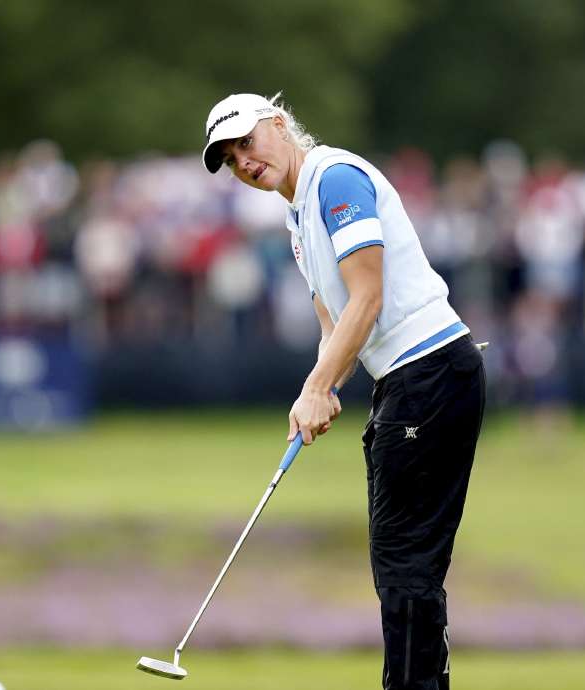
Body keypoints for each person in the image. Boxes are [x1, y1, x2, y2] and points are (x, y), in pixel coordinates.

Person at [202, 92, 486, 690]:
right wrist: (324, 388)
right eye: (231, 160)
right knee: (402, 566)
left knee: (406, 564)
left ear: (279, 125)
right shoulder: (297, 216)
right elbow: (338, 329)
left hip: (429, 371)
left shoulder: (334, 179)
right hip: (409, 381)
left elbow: (368, 296)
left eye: (247, 144)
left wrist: (315, 386)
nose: (245, 163)